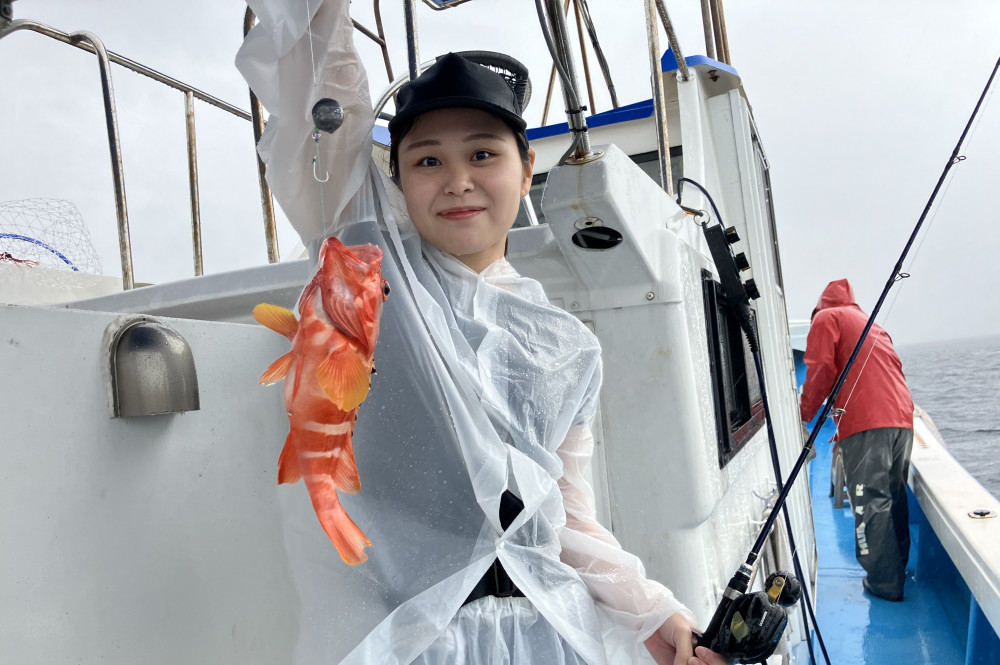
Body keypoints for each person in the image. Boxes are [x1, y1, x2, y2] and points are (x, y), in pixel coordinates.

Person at [238, 2, 726, 663]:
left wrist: (652, 612)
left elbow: (566, 520)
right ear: (398, 181)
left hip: (547, 634)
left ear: (526, 168)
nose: (458, 180)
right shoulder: (369, 265)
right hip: (409, 640)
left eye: (482, 153)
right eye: (428, 161)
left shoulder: (571, 346)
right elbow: (320, 95)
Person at [800, 278, 914, 602]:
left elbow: (821, 367)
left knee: (869, 500)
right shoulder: (869, 322)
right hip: (902, 419)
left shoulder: (826, 318)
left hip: (867, 423)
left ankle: (884, 583)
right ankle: (896, 570)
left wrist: (805, 413)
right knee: (894, 496)